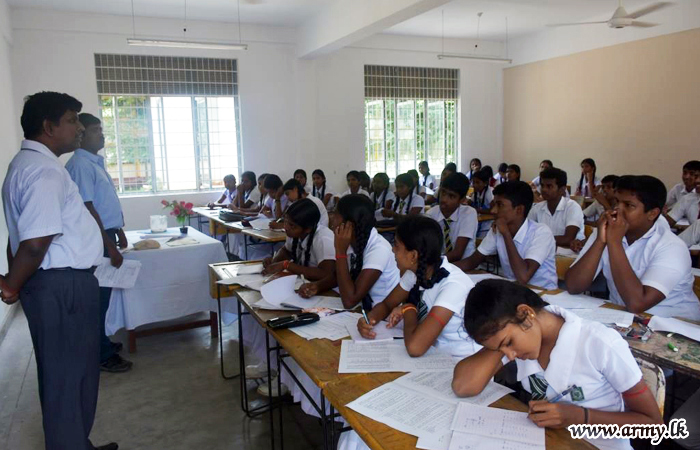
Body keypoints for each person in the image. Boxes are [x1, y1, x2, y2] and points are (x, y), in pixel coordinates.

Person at [1, 92, 117, 450]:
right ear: (48, 127)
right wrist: (11, 285)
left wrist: (16, 277)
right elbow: (35, 242)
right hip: (63, 285)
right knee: (69, 377)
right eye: (71, 120)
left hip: (56, 283)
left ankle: (76, 442)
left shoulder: (28, 164)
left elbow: (17, 235)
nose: (79, 127)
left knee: (70, 374)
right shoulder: (44, 171)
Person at [453, 280, 663, 450]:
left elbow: (653, 426)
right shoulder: (524, 339)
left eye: (508, 343)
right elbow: (463, 386)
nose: (510, 356)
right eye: (501, 349)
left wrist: (580, 417)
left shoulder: (598, 342)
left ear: (526, 314)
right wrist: (499, 345)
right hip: (552, 440)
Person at [338, 216, 479, 450]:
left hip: (459, 367)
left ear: (413, 255)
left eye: (396, 245)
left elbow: (415, 347)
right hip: (431, 359)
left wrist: (409, 308)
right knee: (364, 412)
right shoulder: (416, 272)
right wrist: (368, 319)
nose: (392, 251)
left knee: (382, 415)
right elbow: (386, 305)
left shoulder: (452, 285)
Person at [565, 175, 700, 320]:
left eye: (628, 205)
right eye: (616, 201)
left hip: (673, 324)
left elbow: (637, 304)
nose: (617, 210)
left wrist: (614, 243)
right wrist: (600, 242)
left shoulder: (672, 247)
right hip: (622, 317)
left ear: (652, 213)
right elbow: (573, 286)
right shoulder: (606, 231)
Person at [65, 113, 132, 373]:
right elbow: (88, 208)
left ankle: (102, 342)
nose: (101, 134)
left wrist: (119, 231)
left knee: (103, 296)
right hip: (97, 239)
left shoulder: (94, 162)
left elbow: (104, 203)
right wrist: (109, 245)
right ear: (81, 135)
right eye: (95, 130)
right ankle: (101, 355)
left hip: (107, 234)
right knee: (97, 298)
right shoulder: (81, 165)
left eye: (101, 129)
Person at [256, 199, 336, 396]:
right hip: (301, 289)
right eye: (286, 221)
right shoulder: (295, 232)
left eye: (291, 225)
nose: (286, 227)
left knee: (293, 333)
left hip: (324, 294)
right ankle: (271, 364)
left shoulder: (323, 238)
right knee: (269, 318)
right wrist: (274, 262)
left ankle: (286, 380)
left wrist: (287, 265)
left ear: (307, 228)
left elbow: (327, 273)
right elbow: (287, 249)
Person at [455, 181, 557, 290]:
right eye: (494, 204)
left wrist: (506, 234)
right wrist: (445, 267)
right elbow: (472, 261)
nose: (493, 211)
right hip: (514, 290)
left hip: (544, 294)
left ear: (519, 210)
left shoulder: (541, 232)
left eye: (500, 205)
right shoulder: (497, 230)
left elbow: (523, 277)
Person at [318, 194, 400, 310]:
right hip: (362, 309)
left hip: (383, 315)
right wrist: (317, 286)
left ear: (349, 225)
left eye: (336, 215)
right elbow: (339, 276)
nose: (331, 218)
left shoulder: (379, 249)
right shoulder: (354, 240)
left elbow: (350, 301)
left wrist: (340, 252)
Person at [425, 173, 477, 261]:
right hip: (439, 263)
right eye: (443, 193)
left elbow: (457, 254)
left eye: (451, 196)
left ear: (462, 200)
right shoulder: (431, 214)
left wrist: (432, 262)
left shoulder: (468, 213)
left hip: (463, 265)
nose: (444, 199)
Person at [527, 167, 585, 247]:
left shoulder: (572, 207)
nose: (544, 190)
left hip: (568, 252)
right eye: (542, 185)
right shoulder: (537, 208)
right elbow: (527, 234)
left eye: (549, 186)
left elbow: (568, 239)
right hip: (543, 251)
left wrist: (538, 239)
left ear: (562, 189)